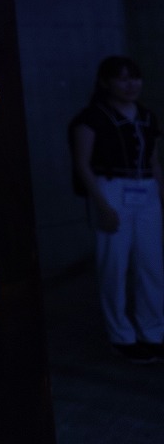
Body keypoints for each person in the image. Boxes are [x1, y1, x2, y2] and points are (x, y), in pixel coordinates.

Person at [69, 55, 164, 362]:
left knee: (152, 266)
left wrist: (160, 196)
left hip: (146, 189)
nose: (130, 84)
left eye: (134, 78)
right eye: (122, 78)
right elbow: (82, 164)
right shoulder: (92, 117)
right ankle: (121, 336)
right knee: (115, 266)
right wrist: (103, 206)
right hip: (111, 188)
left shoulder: (147, 116)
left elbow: (153, 161)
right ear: (106, 82)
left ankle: (153, 332)